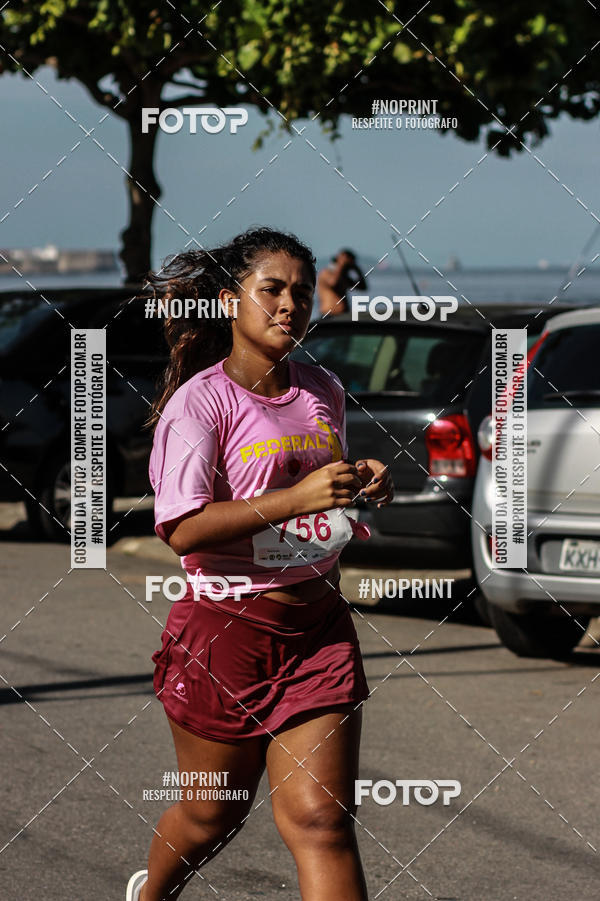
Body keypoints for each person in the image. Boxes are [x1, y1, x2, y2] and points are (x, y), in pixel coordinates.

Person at [126, 227, 393, 901]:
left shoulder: (321, 388)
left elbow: (319, 484)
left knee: (322, 820)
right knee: (211, 812)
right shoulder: (200, 402)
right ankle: (149, 893)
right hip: (225, 633)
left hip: (317, 631)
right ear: (228, 302)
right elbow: (183, 527)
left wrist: (359, 479)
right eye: (270, 289)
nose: (289, 304)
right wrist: (295, 497)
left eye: (301, 292)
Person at [317, 248, 367, 316]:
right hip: (328, 316)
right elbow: (334, 283)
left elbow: (363, 287)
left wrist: (357, 270)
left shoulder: (344, 277)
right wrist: (341, 264)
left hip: (343, 316)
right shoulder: (326, 273)